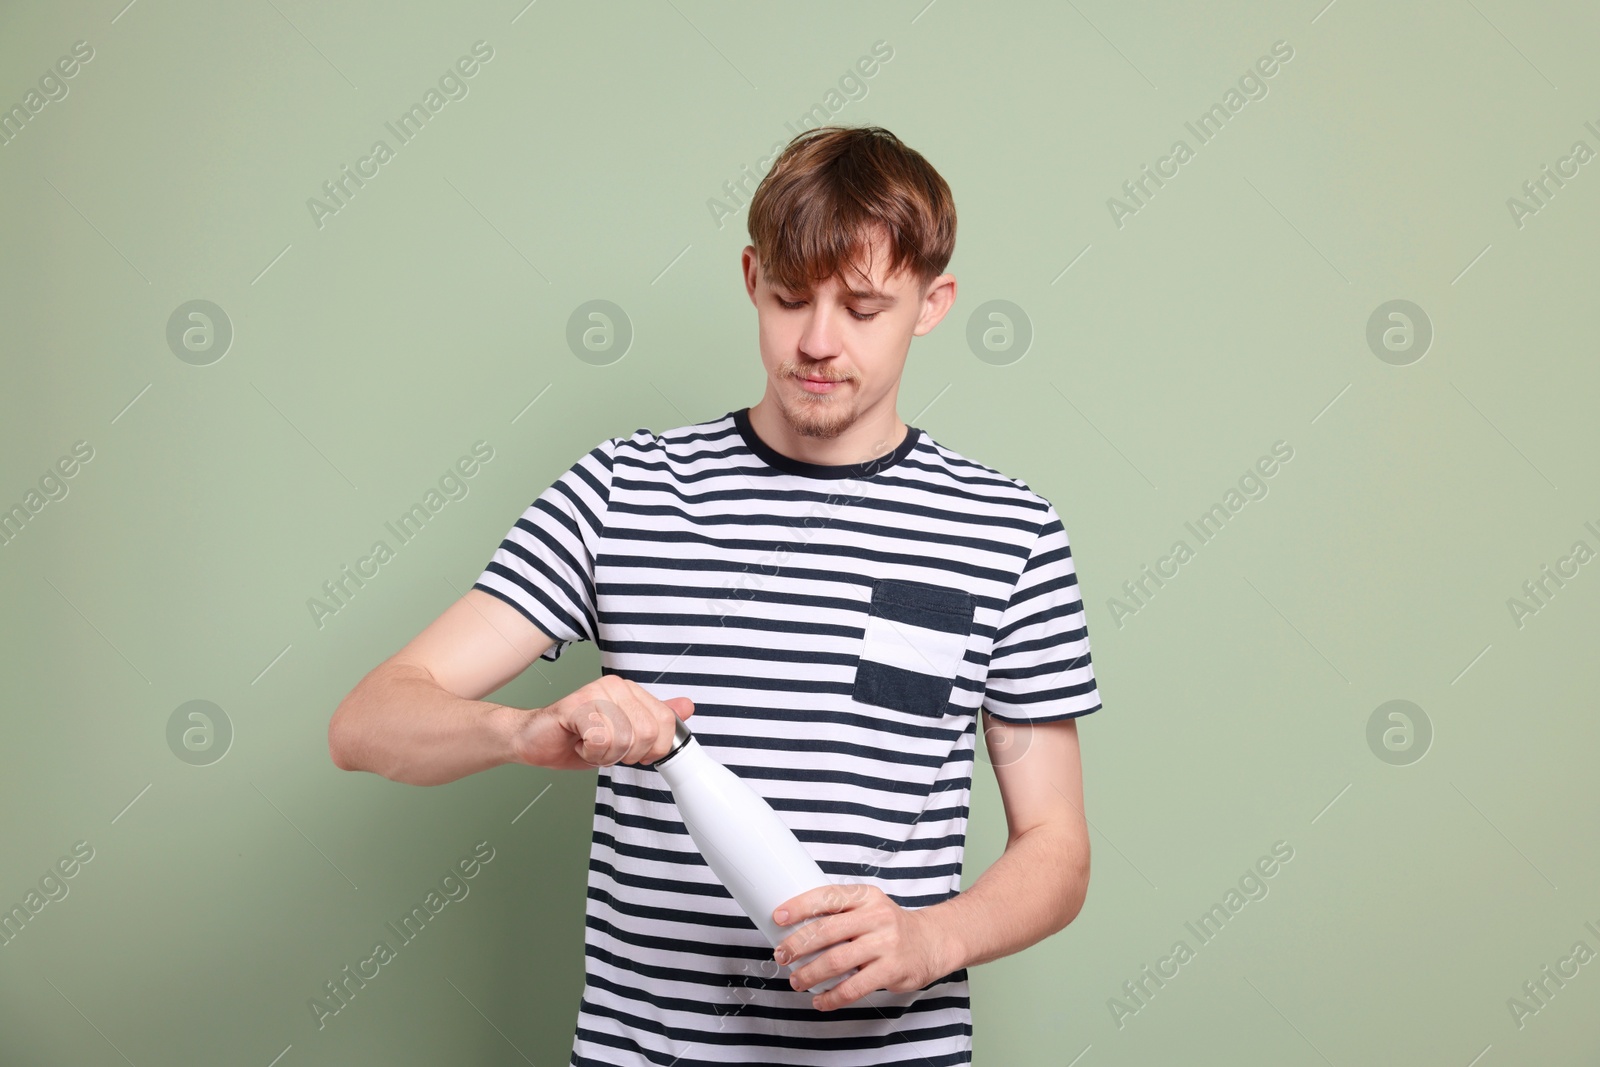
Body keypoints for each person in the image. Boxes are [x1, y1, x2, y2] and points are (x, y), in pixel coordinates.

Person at [328, 124, 1101, 1066]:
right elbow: (368, 722)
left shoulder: (1007, 531)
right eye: (788, 298)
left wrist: (933, 938)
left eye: (862, 308)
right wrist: (520, 733)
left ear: (932, 304)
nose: (817, 342)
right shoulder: (622, 492)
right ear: (749, 277)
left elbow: (1058, 849)